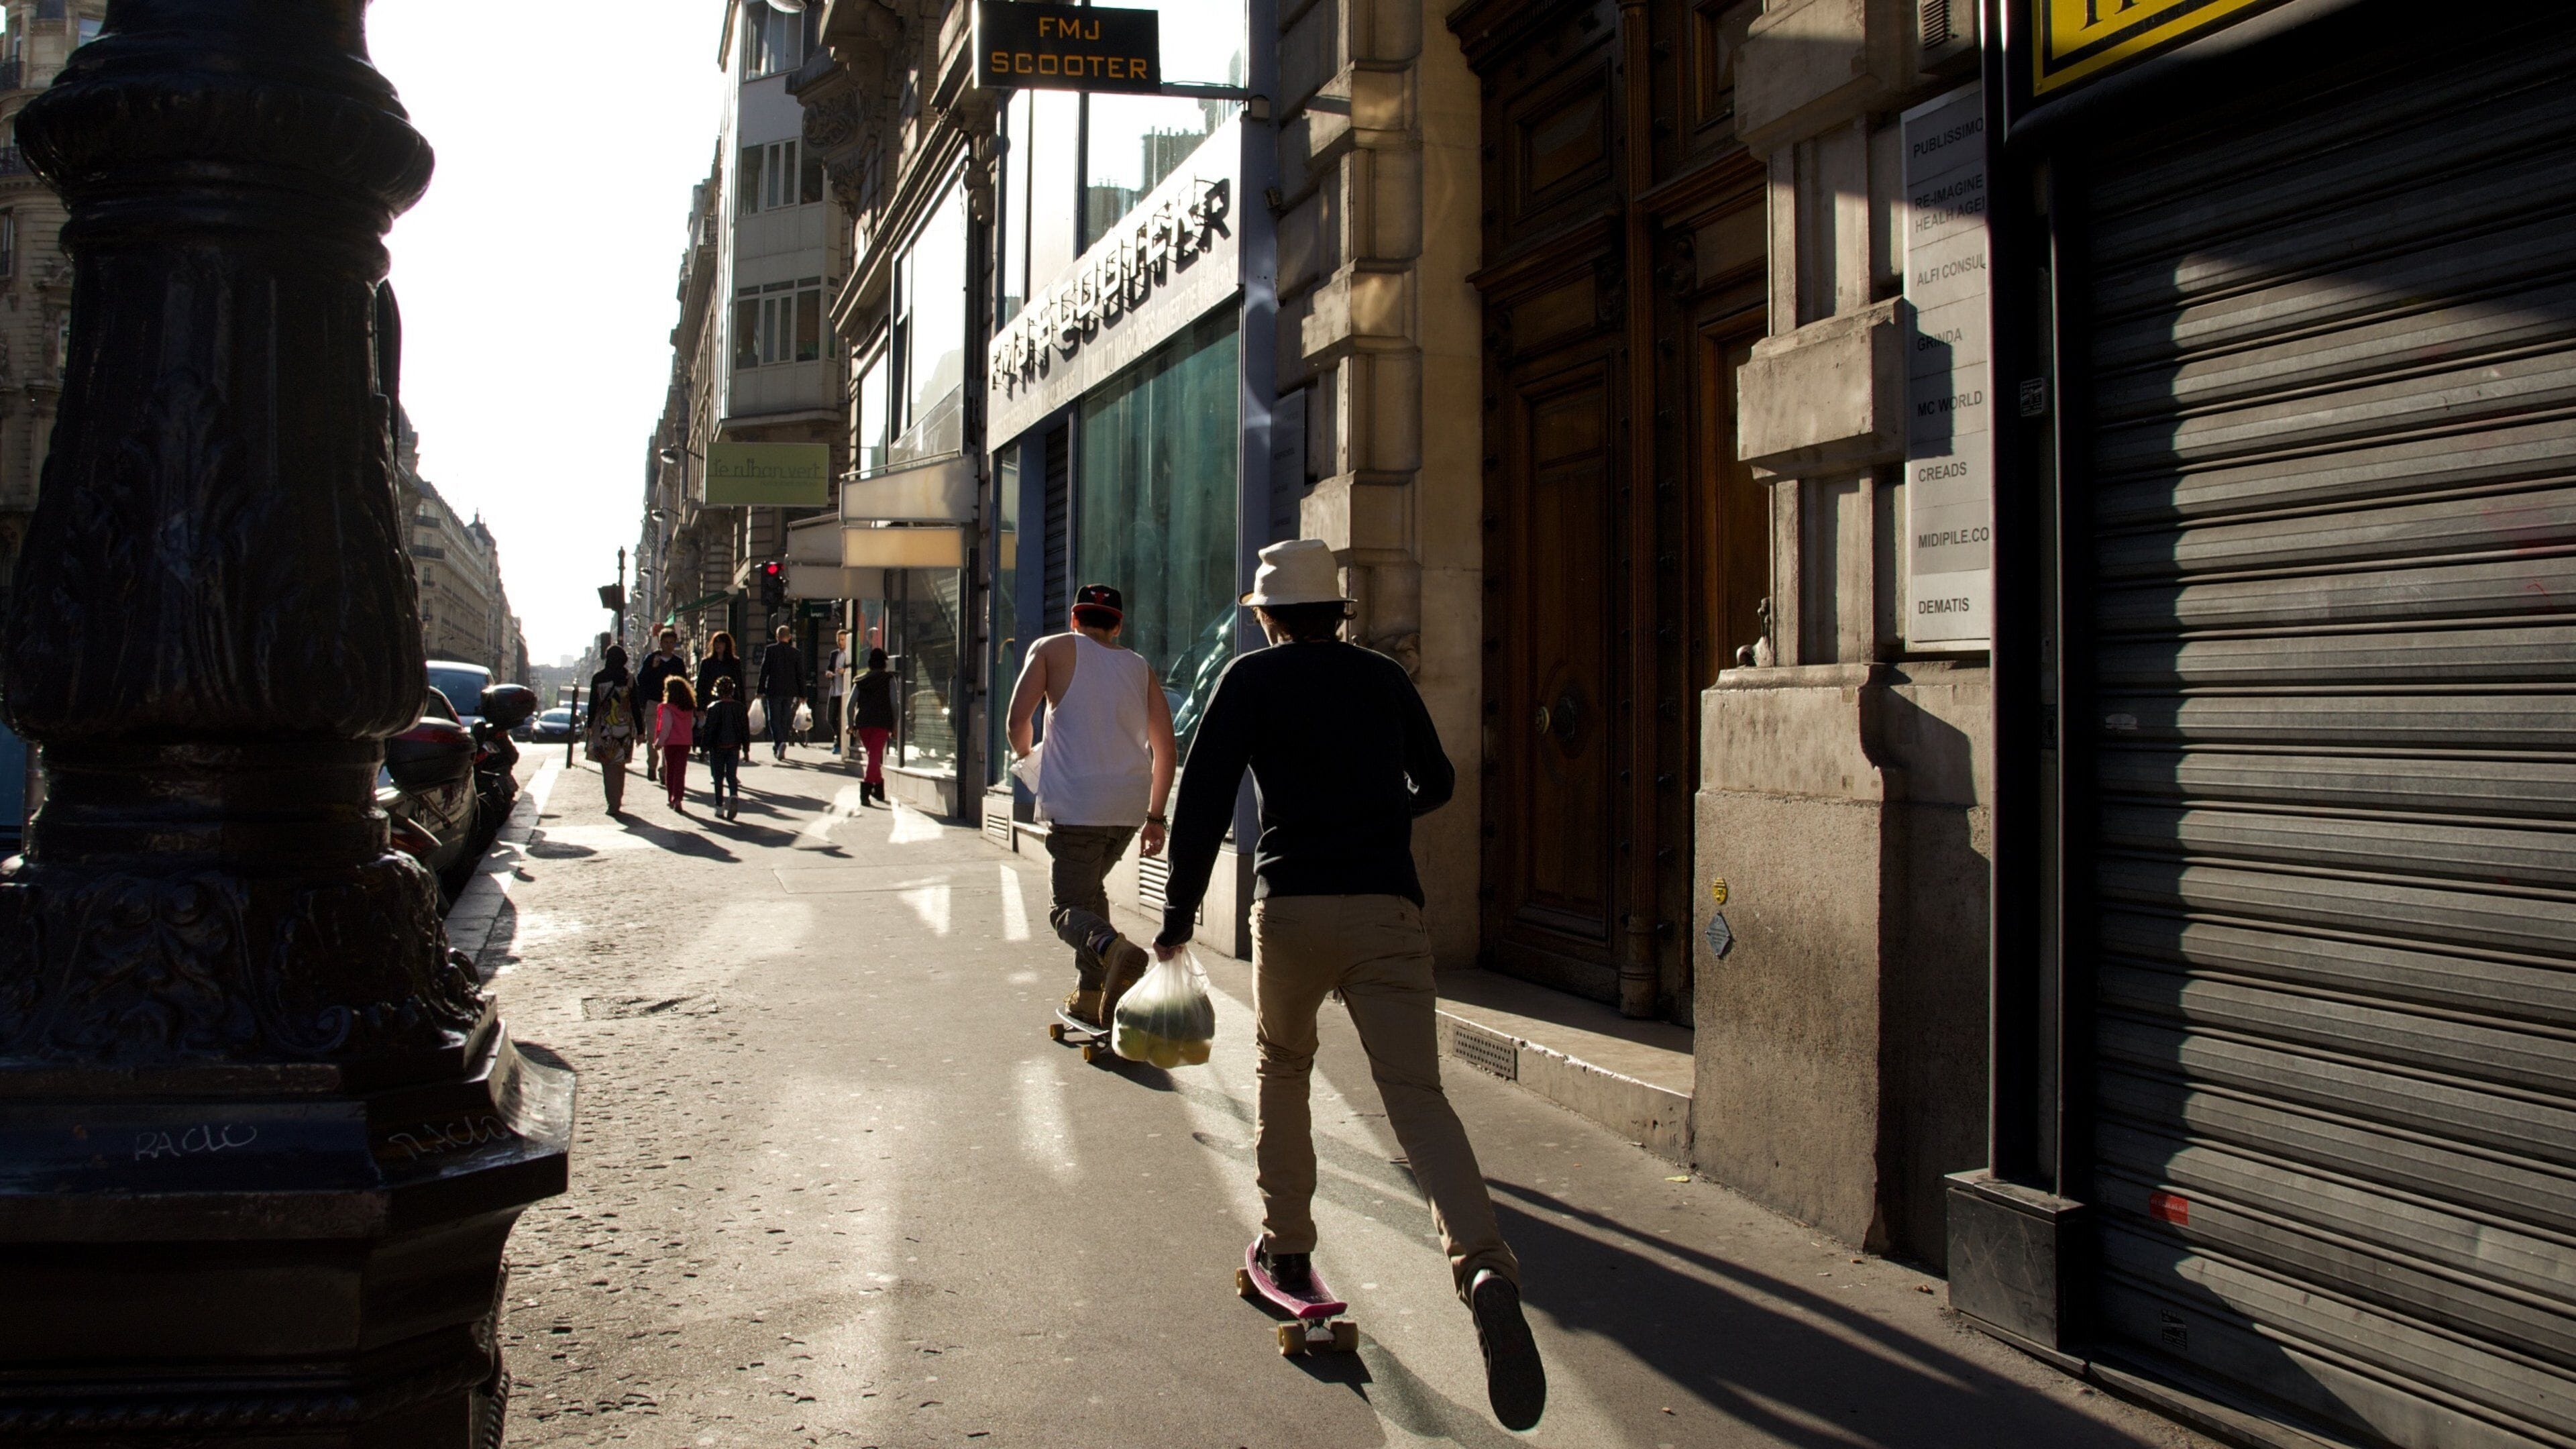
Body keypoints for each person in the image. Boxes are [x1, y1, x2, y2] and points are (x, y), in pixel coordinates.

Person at [1151, 539, 1545, 1431]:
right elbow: (1438, 781)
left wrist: (1177, 916)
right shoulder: (1381, 679)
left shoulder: (1249, 684)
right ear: (1338, 610)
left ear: (1266, 615)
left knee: (1284, 1070)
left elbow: (1204, 799)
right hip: (1386, 911)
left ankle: (1287, 1251)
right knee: (1417, 1097)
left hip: (1290, 909)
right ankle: (1483, 1263)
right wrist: (1378, 814)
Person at [1006, 584, 1177, 1029]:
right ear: (1118, 626)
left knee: (1064, 909)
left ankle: (1113, 948)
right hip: (1127, 808)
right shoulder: (1138, 667)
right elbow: (1166, 748)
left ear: (1074, 620)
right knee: (1091, 895)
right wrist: (1156, 817)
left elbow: (1016, 721)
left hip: (1078, 805)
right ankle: (1092, 993)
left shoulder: (1051, 648)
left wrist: (1027, 760)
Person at [585, 645, 638, 816]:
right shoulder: (629, 679)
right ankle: (617, 799)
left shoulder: (598, 678)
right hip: (624, 729)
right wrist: (641, 730)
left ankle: (612, 802)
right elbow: (635, 706)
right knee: (619, 766)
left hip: (604, 728)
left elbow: (593, 704)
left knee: (607, 766)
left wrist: (589, 726)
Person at [635, 627, 688, 784]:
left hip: (671, 705)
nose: (669, 645)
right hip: (653, 703)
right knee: (652, 736)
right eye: (666, 642)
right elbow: (641, 680)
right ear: (660, 643)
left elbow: (683, 683)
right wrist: (653, 668)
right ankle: (652, 765)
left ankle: (664, 771)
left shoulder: (678, 663)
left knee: (668, 739)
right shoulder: (651, 659)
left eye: (672, 642)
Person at [850, 647, 896, 807]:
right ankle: (866, 790)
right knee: (874, 756)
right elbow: (894, 704)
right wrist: (895, 725)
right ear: (884, 664)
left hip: (863, 723)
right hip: (882, 722)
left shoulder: (860, 681)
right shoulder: (889, 680)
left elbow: (850, 705)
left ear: (870, 664)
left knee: (873, 756)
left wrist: (851, 724)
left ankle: (879, 786)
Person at [700, 675, 750, 819]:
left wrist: (704, 749)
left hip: (717, 747)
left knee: (718, 777)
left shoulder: (713, 708)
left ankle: (719, 806)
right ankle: (734, 795)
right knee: (731, 775)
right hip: (734, 746)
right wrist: (746, 749)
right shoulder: (740, 708)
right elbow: (745, 731)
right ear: (732, 691)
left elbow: (708, 730)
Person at [757, 624, 804, 763]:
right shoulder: (796, 653)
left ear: (777, 636)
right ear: (789, 637)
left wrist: (760, 690)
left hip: (774, 690)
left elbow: (764, 671)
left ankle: (779, 743)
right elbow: (800, 674)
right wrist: (803, 694)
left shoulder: (770, 650)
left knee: (773, 719)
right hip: (790, 691)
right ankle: (780, 743)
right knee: (784, 718)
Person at [694, 629, 745, 737]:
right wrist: (700, 707)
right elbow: (700, 686)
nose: (718, 645)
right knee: (713, 730)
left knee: (728, 729)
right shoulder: (706, 663)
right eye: (716, 642)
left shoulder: (734, 662)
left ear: (727, 645)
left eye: (721, 642)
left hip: (730, 703)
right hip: (711, 702)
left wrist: (742, 706)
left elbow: (739, 684)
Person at [657, 676, 697, 812]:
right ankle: (679, 798)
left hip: (671, 744)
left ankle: (671, 797)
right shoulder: (689, 709)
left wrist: (659, 742)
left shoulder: (668, 709)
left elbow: (666, 728)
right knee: (681, 772)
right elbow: (692, 723)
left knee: (671, 771)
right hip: (685, 743)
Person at [822, 627, 850, 755]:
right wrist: (829, 673)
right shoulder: (834, 654)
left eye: (843, 640)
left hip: (845, 691)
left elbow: (851, 669)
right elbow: (829, 668)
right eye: (839, 640)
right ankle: (839, 738)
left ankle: (840, 743)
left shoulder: (849, 654)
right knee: (830, 718)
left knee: (843, 718)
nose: (840, 642)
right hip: (834, 690)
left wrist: (845, 672)